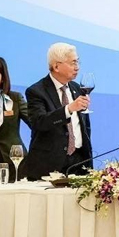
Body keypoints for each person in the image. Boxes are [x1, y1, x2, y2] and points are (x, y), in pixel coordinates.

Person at [25, 43, 92, 179]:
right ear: (56, 66)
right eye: (73, 63)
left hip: (79, 162)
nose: (77, 67)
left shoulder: (77, 88)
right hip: (50, 164)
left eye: (78, 62)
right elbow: (39, 122)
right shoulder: (36, 91)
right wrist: (69, 109)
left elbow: (84, 126)